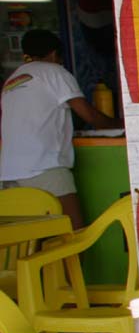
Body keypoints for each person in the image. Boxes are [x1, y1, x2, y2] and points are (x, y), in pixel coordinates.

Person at [0, 29, 121, 227]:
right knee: (72, 233)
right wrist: (126, 124)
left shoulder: (13, 79)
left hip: (9, 173)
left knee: (31, 239)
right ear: (55, 54)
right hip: (44, 167)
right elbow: (91, 116)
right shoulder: (55, 72)